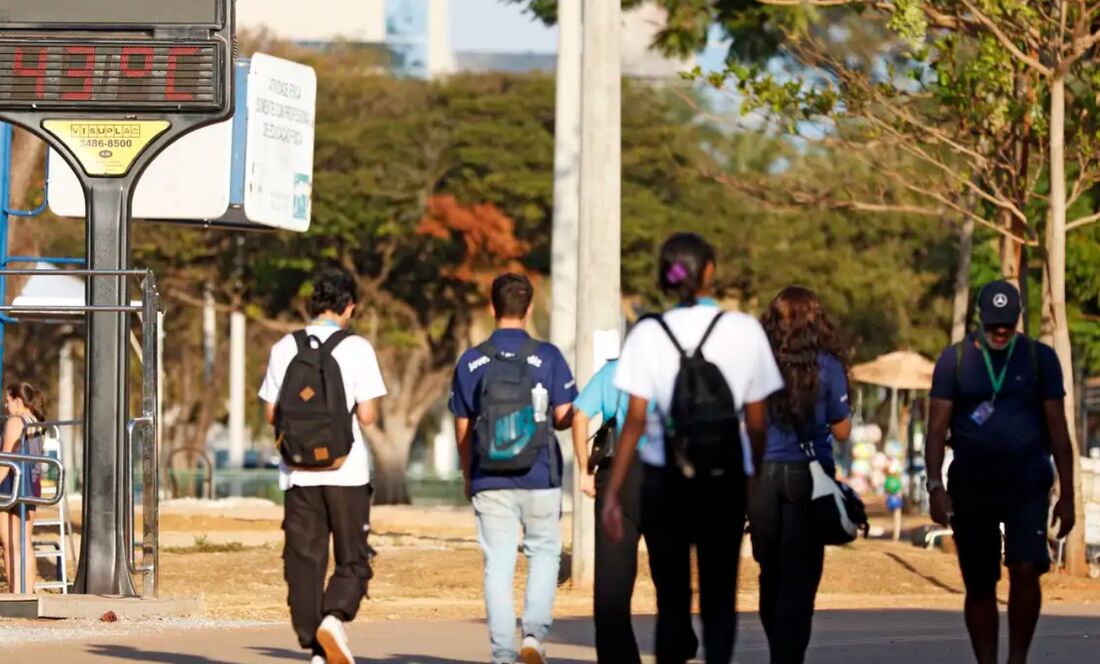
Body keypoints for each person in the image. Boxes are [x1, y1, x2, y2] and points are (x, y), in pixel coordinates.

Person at [601, 233, 784, 664]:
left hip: (664, 481)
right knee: (720, 598)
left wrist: (613, 491)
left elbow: (634, 421)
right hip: (724, 479)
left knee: (673, 601)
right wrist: (754, 476)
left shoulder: (647, 333)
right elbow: (757, 420)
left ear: (665, 276)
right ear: (709, 271)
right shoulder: (744, 330)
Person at [926, 280, 1076, 664]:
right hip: (972, 485)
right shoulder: (954, 360)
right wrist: (935, 487)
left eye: (1007, 323)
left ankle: (1017, 659)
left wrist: (1068, 495)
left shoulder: (1040, 359)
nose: (1001, 331)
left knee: (1026, 568)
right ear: (981, 319)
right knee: (980, 583)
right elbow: (936, 428)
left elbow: (1059, 430)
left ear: (1017, 319)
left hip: (1027, 482)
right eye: (994, 324)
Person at [259, 268, 387, 664]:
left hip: (297, 473)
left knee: (304, 560)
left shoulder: (285, 347)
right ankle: (334, 618)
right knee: (353, 556)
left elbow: (270, 414)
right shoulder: (357, 348)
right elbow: (366, 416)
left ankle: (315, 647)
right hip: (346, 471)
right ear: (349, 307)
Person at [450, 273, 576, 664]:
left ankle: (503, 654)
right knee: (543, 553)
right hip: (540, 475)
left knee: (498, 565)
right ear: (529, 308)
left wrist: (469, 474)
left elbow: (463, 425)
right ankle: (534, 639)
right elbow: (562, 415)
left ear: (491, 307)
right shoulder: (549, 356)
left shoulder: (472, 360)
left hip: (489, 476)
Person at [753, 286, 852, 664]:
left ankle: (781, 650)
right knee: (802, 576)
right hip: (810, 476)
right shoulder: (827, 365)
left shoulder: (756, 363)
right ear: (816, 320)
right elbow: (841, 431)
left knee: (770, 569)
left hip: (761, 475)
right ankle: (787, 656)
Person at [571, 356, 649, 663]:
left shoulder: (614, 369)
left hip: (618, 475)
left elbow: (579, 416)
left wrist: (583, 470)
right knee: (670, 580)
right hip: (664, 475)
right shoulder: (674, 368)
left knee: (611, 586)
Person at [0, 383, 46, 594]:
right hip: (32, 485)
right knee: (24, 542)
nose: (6, 405)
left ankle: (15, 592)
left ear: (18, 401)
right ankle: (26, 591)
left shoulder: (15, 422)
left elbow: (5, 459)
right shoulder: (36, 422)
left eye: (8, 401)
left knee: (10, 544)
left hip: (11, 485)